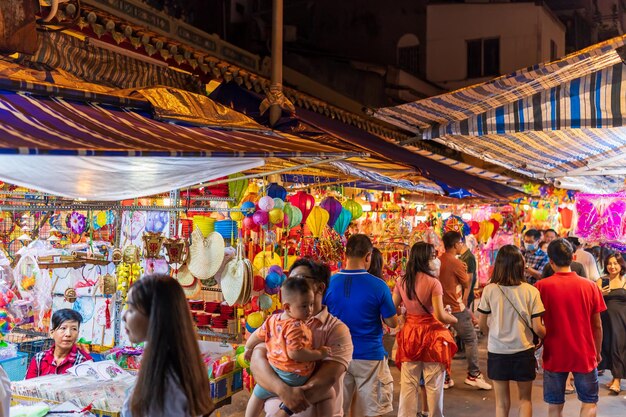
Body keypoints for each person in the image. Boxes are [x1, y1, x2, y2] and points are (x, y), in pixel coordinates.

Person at [250, 258, 353, 417]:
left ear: (319, 287)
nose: (292, 284)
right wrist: (282, 390)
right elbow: (257, 362)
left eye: (298, 279)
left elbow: (326, 380)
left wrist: (284, 412)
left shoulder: (337, 330)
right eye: (290, 280)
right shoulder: (279, 321)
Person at [324, 234, 398, 417]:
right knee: (371, 411)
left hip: (337, 356)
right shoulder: (379, 286)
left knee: (337, 409)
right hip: (370, 357)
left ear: (345, 255)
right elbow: (392, 322)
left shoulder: (329, 283)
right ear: (368, 256)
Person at [121, 274, 214, 417]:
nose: (124, 316)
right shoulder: (180, 362)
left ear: (155, 316)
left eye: (132, 308)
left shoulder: (164, 381)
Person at [535, 239, 605, 417]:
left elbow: (536, 324)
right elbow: (597, 325)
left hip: (554, 354)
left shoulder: (541, 287)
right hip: (585, 353)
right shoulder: (590, 287)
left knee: (554, 406)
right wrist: (597, 352)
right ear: (573, 258)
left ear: (550, 261)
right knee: (589, 402)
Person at [244, 278, 332, 417]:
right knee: (328, 392)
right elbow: (296, 354)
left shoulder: (272, 319)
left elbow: (257, 335)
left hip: (274, 369)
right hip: (294, 376)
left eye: (311, 304)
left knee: (257, 394)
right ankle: (291, 402)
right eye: (304, 306)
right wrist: (319, 353)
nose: (309, 310)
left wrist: (248, 348)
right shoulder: (296, 327)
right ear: (287, 307)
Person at [477, 245, 546, 417]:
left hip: (497, 351)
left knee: (501, 403)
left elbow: (482, 324)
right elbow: (538, 327)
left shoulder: (490, 290)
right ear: (520, 265)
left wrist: (492, 333)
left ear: (499, 264)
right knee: (525, 400)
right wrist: (546, 337)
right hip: (523, 350)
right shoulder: (531, 291)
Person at [393, 242, 457, 417]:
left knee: (408, 384)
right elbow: (440, 315)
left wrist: (405, 313)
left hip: (409, 334)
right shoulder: (434, 283)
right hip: (431, 336)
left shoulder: (401, 281)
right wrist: (454, 318)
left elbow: (393, 307)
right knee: (434, 384)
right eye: (433, 257)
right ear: (425, 259)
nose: (435, 260)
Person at [439, 231, 491, 390]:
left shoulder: (438, 261)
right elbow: (467, 283)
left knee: (444, 342)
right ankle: (473, 374)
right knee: (470, 339)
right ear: (455, 245)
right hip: (455, 307)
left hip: (440, 307)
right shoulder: (456, 263)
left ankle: (445, 377)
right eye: (460, 243)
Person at [26, 309, 92, 379]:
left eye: (74, 329)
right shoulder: (39, 359)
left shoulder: (84, 362)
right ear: (52, 333)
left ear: (78, 334)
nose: (68, 334)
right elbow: (27, 386)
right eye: (63, 328)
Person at [596, 252, 626, 395]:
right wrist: (600, 294)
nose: (612, 266)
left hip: (621, 320)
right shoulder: (601, 281)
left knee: (618, 346)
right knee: (607, 346)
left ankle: (617, 380)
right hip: (604, 320)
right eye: (609, 263)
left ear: (621, 265)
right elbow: (593, 302)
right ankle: (614, 376)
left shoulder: (625, 281)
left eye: (615, 263)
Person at [458, 238, 478, 311]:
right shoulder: (463, 256)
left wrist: (465, 298)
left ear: (461, 243)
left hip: (466, 295)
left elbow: (469, 279)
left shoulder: (468, 257)